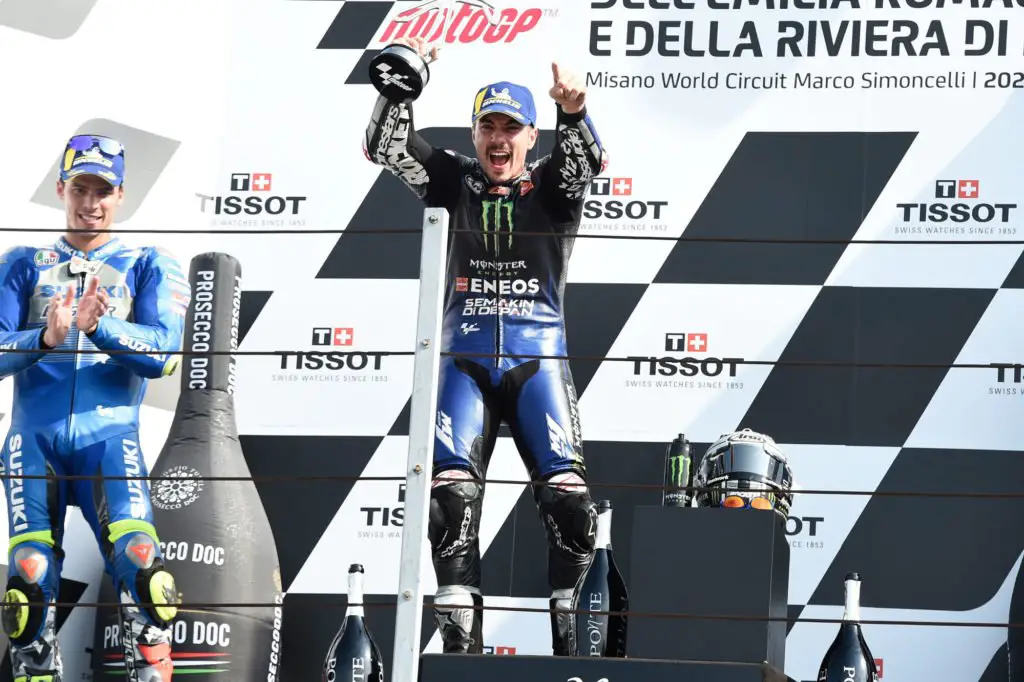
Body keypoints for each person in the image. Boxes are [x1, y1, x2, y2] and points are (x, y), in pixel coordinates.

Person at [363, 37, 608, 655]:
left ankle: (571, 654)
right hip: (462, 363)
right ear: (474, 133)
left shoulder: (554, 184)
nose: (499, 141)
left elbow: (587, 162)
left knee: (572, 507)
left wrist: (574, 111)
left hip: (538, 361)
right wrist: (401, 83)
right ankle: (460, 656)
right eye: (488, 127)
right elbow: (385, 146)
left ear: (532, 136)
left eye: (512, 128)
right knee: (449, 499)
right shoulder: (452, 177)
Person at [0, 134, 189, 681]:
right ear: (61, 189)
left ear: (121, 195)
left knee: (142, 565)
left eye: (102, 191)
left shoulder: (148, 261)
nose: (91, 203)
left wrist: (99, 327)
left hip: (110, 439)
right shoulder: (20, 263)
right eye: (80, 188)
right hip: (32, 442)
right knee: (29, 578)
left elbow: (164, 357)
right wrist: (45, 338)